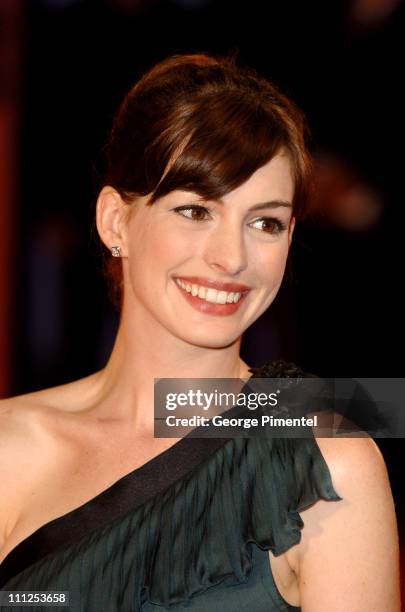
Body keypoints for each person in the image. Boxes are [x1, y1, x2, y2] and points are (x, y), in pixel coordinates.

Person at [0, 53, 400, 611]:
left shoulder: (323, 459)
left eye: (265, 223)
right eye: (195, 211)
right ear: (116, 220)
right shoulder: (10, 444)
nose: (232, 258)